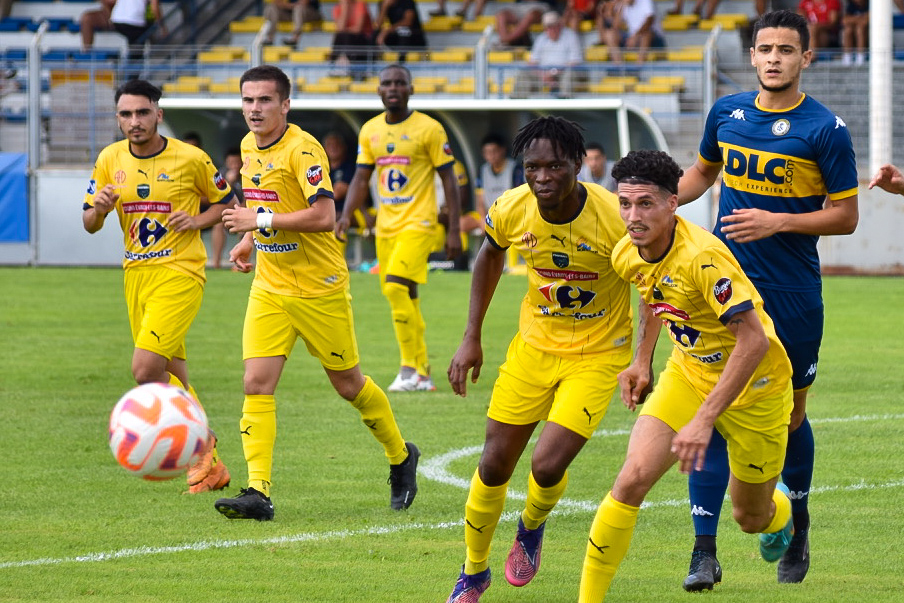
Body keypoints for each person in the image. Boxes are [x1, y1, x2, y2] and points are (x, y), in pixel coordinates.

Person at [676, 9, 858, 590]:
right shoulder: (725, 113)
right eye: (765, 49)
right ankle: (703, 550)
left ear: (807, 57)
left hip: (793, 293)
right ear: (752, 56)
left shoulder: (826, 130)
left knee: (794, 414)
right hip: (724, 292)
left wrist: (780, 221)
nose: (774, 58)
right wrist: (643, 204)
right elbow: (699, 175)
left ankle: (798, 524)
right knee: (714, 411)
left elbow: (847, 217)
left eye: (786, 49)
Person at [579, 149, 797, 602]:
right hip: (687, 373)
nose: (632, 216)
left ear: (672, 203)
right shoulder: (628, 252)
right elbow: (652, 291)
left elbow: (752, 341)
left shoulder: (703, 258)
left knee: (749, 516)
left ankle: (780, 514)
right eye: (624, 203)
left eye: (645, 204)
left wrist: (703, 419)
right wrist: (642, 360)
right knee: (631, 478)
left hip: (756, 387)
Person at [214, 65, 420, 521]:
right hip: (270, 285)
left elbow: (324, 216)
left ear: (285, 105)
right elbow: (262, 200)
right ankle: (258, 492)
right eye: (248, 100)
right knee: (255, 383)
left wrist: (259, 223)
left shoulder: (304, 149)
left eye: (265, 100)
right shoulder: (249, 145)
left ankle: (401, 456)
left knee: (349, 386)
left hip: (319, 289)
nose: (255, 109)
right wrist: (250, 236)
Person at [444, 116, 634, 603]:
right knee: (493, 464)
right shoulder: (512, 207)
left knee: (547, 466)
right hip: (533, 349)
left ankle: (530, 525)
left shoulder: (615, 216)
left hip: (598, 355)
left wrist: (644, 359)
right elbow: (489, 253)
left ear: (578, 164)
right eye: (533, 167)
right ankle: (473, 572)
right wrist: (472, 335)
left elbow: (651, 283)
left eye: (554, 166)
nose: (543, 177)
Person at [82, 79, 233, 494]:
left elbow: (226, 202)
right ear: (118, 118)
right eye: (126, 114)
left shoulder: (190, 158)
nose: (135, 121)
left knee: (145, 370)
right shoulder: (109, 158)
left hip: (180, 272)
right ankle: (212, 467)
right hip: (136, 276)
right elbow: (90, 224)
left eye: (143, 112)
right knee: (170, 371)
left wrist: (198, 220)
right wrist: (99, 210)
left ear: (158, 114)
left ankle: (201, 441)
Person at [335, 64, 462, 393]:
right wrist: (347, 215)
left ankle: (408, 368)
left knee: (394, 288)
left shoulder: (429, 129)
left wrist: (453, 229)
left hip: (419, 224)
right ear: (379, 90)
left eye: (399, 83)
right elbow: (362, 177)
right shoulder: (370, 130)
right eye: (387, 83)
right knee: (407, 296)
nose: (393, 88)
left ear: (410, 89)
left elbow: (448, 177)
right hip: (386, 227)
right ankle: (422, 373)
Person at [474, 132, 526, 274]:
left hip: (509, 214)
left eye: (494, 151)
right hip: (489, 214)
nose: (491, 155)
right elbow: (480, 199)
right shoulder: (482, 170)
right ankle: (465, 262)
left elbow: (520, 197)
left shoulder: (515, 168)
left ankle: (512, 265)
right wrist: (481, 219)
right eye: (487, 152)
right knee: (462, 223)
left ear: (503, 150)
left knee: (510, 227)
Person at [514, 11, 584, 98]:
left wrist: (552, 73)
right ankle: (517, 102)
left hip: (563, 73)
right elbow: (532, 62)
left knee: (570, 73)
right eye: (548, 27)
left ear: (560, 25)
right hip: (544, 74)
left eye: (553, 26)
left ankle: (565, 103)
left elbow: (575, 62)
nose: (550, 29)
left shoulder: (571, 36)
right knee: (523, 72)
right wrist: (543, 75)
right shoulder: (541, 38)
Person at [602, 0, 666, 64]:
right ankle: (619, 68)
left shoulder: (646, 1)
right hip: (633, 38)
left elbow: (649, 20)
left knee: (647, 34)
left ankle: (638, 67)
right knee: (609, 34)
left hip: (653, 40)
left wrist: (636, 36)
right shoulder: (625, 6)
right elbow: (615, 26)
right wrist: (621, 8)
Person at [328, 0, 373, 75]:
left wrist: (345, 30)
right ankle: (341, 60)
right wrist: (345, 9)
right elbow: (340, 28)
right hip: (347, 40)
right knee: (341, 35)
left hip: (363, 40)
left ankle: (342, 60)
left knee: (344, 35)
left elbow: (358, 29)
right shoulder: (338, 8)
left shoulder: (360, 4)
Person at [840, 0, 868, 65]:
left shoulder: (870, 4)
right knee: (848, 30)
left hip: (868, 36)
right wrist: (860, 18)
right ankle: (847, 56)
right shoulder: (851, 5)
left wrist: (853, 19)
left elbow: (865, 21)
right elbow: (845, 20)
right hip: (853, 33)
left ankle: (861, 56)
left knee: (860, 29)